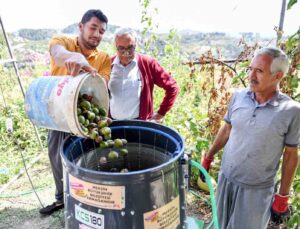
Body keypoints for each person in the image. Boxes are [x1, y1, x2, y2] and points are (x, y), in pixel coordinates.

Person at [201, 47, 300, 228]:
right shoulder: (239, 97)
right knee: (219, 224)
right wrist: (209, 156)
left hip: (256, 190)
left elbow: (291, 155)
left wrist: (282, 196)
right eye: (251, 69)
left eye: (259, 71)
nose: (251, 76)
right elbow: (227, 129)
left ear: (278, 76)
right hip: (226, 179)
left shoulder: (291, 111)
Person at [39, 9, 111, 215]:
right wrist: (74, 57)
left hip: (85, 115)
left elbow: (102, 83)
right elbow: (58, 54)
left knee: (88, 156)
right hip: (58, 114)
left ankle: (87, 197)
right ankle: (62, 198)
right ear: (81, 26)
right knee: (56, 154)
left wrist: (86, 66)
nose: (97, 34)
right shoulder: (63, 41)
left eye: (102, 31)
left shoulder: (104, 58)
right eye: (93, 28)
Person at [108, 27, 179, 122]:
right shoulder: (108, 64)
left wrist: (160, 113)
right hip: (113, 125)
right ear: (116, 46)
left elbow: (172, 87)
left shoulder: (148, 63)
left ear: (135, 45)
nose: (126, 53)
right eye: (121, 48)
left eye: (130, 48)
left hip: (140, 125)